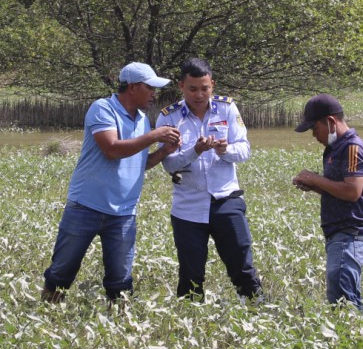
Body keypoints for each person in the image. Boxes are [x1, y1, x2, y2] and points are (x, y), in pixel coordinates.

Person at [42, 62, 181, 303]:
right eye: (150, 88)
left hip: (124, 212)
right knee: (61, 272)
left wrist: (165, 151)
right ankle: (48, 313)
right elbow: (112, 149)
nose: (154, 94)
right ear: (134, 87)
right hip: (86, 206)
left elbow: (140, 163)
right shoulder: (102, 108)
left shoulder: (142, 120)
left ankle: (119, 319)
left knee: (120, 279)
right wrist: (154, 136)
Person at [156, 58, 262, 303]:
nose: (199, 95)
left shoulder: (227, 108)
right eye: (192, 89)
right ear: (181, 86)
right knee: (191, 274)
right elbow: (168, 164)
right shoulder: (169, 118)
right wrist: (195, 151)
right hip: (188, 206)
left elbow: (244, 150)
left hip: (226, 200)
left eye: (205, 88)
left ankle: (257, 311)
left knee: (242, 265)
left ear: (212, 84)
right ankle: (190, 322)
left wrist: (225, 151)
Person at [292, 94, 363, 311]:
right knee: (338, 293)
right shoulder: (334, 149)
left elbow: (353, 191)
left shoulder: (352, 147)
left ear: (330, 122)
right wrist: (315, 186)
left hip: (351, 234)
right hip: (337, 233)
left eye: (314, 127)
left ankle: (354, 338)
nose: (313, 134)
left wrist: (315, 178)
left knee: (343, 295)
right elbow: (339, 190)